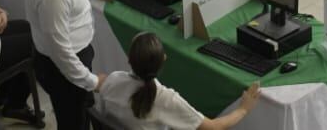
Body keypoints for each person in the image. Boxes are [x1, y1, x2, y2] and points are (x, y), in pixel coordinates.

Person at [27, 0, 105, 130]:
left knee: (79, 113)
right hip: (62, 68)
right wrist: (92, 81)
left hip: (71, 55)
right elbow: (60, 51)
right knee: (73, 122)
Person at [96, 31, 260, 129]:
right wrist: (243, 110)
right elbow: (214, 127)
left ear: (129, 60)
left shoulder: (113, 80)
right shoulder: (166, 100)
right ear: (164, 60)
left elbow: (100, 83)